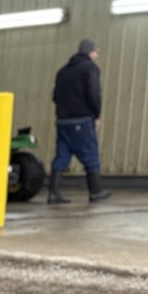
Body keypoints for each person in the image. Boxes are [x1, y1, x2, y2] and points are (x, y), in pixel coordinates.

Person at [48, 39, 111, 204]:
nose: (97, 55)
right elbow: (93, 93)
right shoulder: (90, 68)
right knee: (90, 153)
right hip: (82, 120)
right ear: (90, 52)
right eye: (96, 52)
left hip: (62, 121)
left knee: (61, 155)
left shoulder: (62, 71)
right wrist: (96, 114)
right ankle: (96, 191)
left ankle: (53, 193)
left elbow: (55, 96)